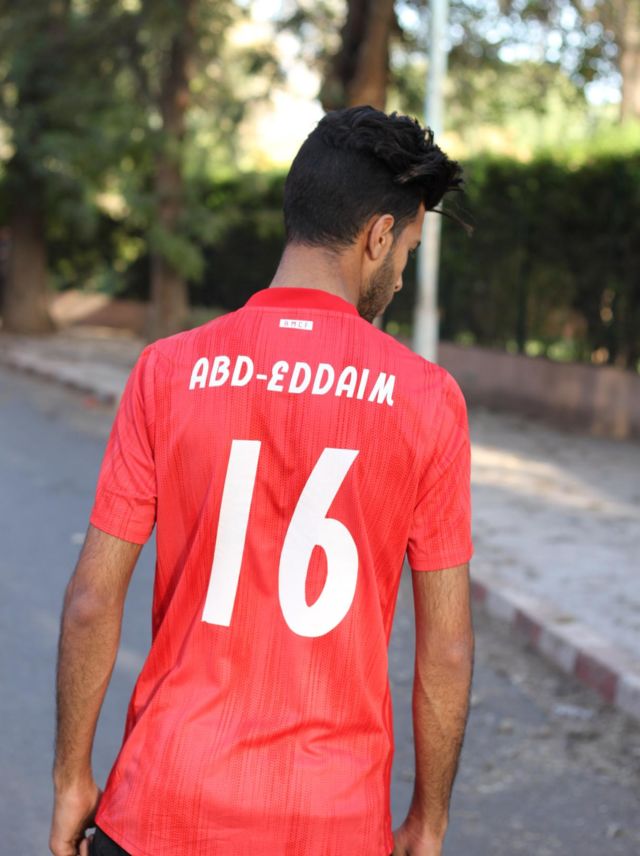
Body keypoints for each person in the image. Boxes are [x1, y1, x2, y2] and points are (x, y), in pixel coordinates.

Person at [50, 105, 475, 856]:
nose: (402, 274)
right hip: (331, 824)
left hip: (160, 806)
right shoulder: (427, 400)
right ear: (378, 237)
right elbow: (444, 647)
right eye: (407, 250)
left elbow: (92, 599)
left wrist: (71, 779)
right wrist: (428, 818)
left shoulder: (167, 371)